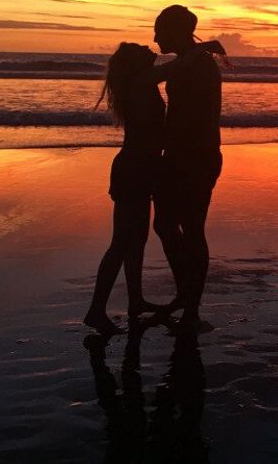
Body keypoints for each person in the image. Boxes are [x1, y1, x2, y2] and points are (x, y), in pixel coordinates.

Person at [84, 38, 225, 335]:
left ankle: (135, 301)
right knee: (122, 242)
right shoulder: (141, 81)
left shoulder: (142, 82)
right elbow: (176, 66)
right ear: (134, 63)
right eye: (141, 49)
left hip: (141, 168)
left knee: (136, 240)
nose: (150, 47)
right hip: (134, 170)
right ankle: (96, 310)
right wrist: (202, 47)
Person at [153, 5, 223, 333]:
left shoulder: (198, 64)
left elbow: (194, 115)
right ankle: (185, 294)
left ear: (178, 31)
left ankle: (192, 310)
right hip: (178, 155)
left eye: (160, 31)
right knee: (165, 225)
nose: (155, 38)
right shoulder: (190, 60)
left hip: (196, 156)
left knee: (192, 229)